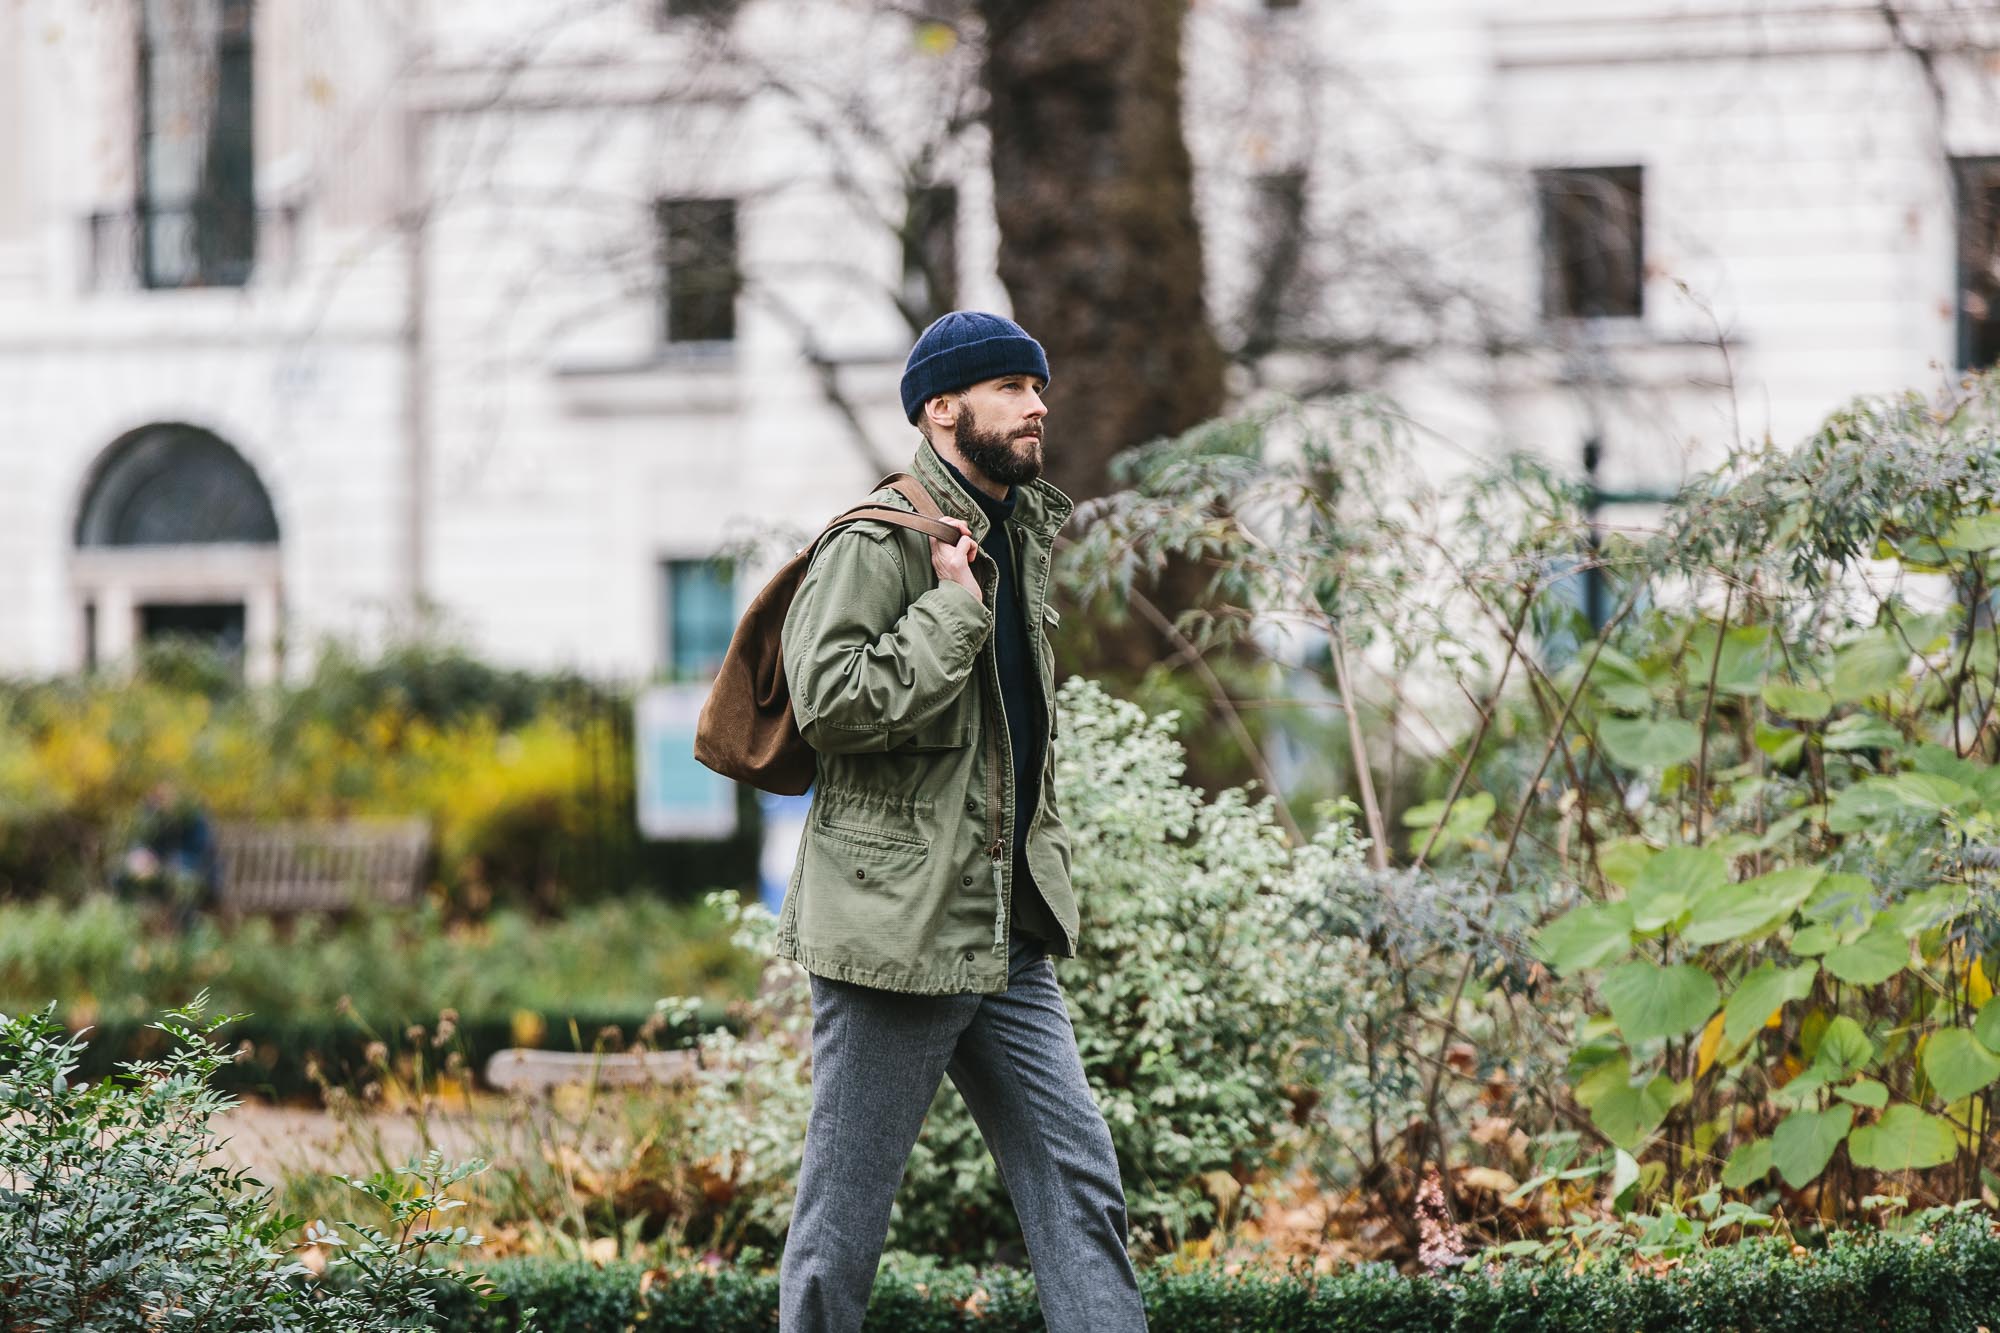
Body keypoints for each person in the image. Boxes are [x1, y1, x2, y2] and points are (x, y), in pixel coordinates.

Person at [775, 311, 1148, 1331]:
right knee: (840, 1229)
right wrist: (946, 612)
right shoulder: (877, 540)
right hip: (895, 933)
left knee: (1080, 1190)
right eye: (1008, 388)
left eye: (1037, 386)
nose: (1037, 405)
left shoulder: (1014, 532)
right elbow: (830, 706)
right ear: (941, 409)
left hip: (1003, 931)